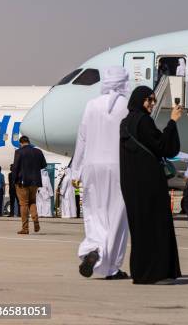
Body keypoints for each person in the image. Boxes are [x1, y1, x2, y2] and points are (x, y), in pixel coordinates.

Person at [119, 85, 183, 285]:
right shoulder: (144, 121)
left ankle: (141, 272)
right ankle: (157, 273)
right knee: (156, 227)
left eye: (153, 100)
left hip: (131, 184)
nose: (151, 104)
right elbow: (163, 147)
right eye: (149, 100)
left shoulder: (125, 123)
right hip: (149, 184)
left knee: (140, 229)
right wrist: (172, 122)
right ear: (140, 100)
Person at [73, 66, 131, 280]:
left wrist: (75, 171)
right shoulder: (126, 106)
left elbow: (82, 138)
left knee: (95, 213)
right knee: (116, 218)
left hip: (91, 166)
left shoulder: (91, 105)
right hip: (118, 167)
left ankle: (93, 249)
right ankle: (112, 267)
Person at [13, 136, 47, 234]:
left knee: (23, 204)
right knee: (32, 202)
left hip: (22, 181)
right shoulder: (38, 151)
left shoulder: (19, 152)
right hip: (35, 181)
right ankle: (35, 219)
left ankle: (25, 228)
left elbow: (15, 167)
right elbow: (43, 165)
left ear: (21, 143)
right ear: (29, 142)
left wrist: (14, 180)